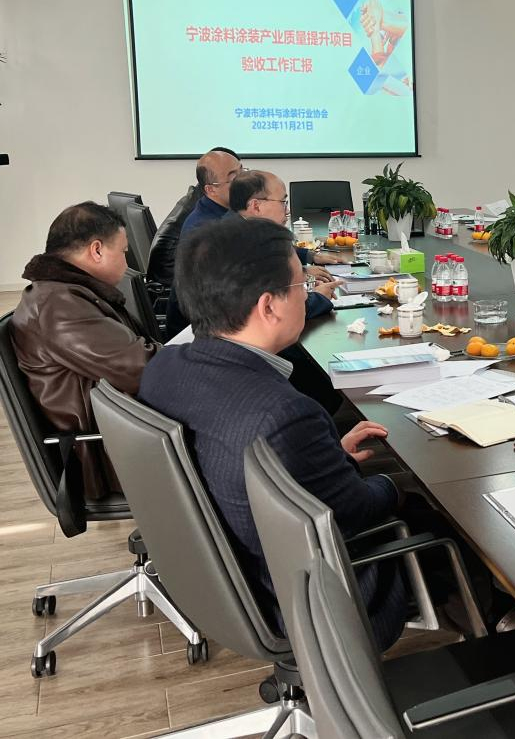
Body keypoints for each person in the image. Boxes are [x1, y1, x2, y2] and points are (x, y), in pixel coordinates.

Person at [138, 216, 408, 650]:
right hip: (302, 596)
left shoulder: (166, 366)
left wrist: (323, 457)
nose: (308, 294)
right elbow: (353, 511)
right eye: (302, 285)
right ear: (268, 306)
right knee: (439, 504)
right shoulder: (283, 414)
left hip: (226, 577)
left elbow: (240, 455)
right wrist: (397, 484)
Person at [11, 202, 160, 501]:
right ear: (97, 250)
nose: (127, 261)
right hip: (107, 452)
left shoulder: (63, 293)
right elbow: (142, 370)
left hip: (121, 428)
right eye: (124, 251)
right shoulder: (58, 306)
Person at [229, 171, 338, 319]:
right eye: (283, 202)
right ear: (256, 206)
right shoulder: (243, 247)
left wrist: (306, 262)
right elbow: (277, 310)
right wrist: (319, 297)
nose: (287, 211)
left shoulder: (240, 230)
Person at [149, 146, 240, 287]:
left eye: (243, 171)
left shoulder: (216, 209)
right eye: (234, 178)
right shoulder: (206, 228)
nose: (245, 181)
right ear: (211, 189)